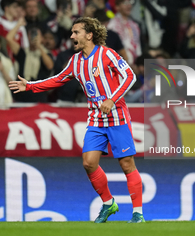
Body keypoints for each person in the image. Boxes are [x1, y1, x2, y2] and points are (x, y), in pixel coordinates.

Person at [9, 17, 144, 223]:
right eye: (72, 32)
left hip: (117, 118)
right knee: (89, 163)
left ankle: (137, 214)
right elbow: (57, 79)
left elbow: (130, 76)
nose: (72, 36)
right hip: (96, 120)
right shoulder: (75, 61)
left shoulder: (107, 54)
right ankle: (109, 203)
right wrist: (30, 86)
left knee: (127, 164)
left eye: (76, 32)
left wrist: (112, 98)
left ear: (89, 35)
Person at [6, 18, 54, 103]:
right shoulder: (23, 52)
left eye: (36, 35)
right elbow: (9, 38)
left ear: (42, 38)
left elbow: (50, 66)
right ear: (27, 37)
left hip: (39, 95)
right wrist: (18, 25)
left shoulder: (46, 53)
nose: (33, 37)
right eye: (31, 35)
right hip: (22, 95)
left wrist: (39, 47)